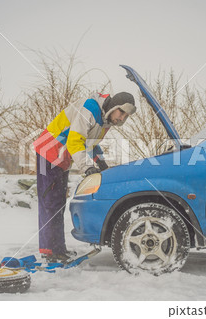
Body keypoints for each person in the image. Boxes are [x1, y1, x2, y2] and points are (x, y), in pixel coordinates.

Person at [33, 92, 136, 263]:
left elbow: (91, 144)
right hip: (49, 152)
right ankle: (50, 252)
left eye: (126, 116)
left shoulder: (105, 121)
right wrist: (86, 167)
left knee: (58, 202)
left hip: (63, 157)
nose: (122, 118)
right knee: (50, 202)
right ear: (114, 107)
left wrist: (100, 162)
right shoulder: (89, 109)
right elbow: (75, 141)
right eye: (122, 113)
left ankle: (58, 249)